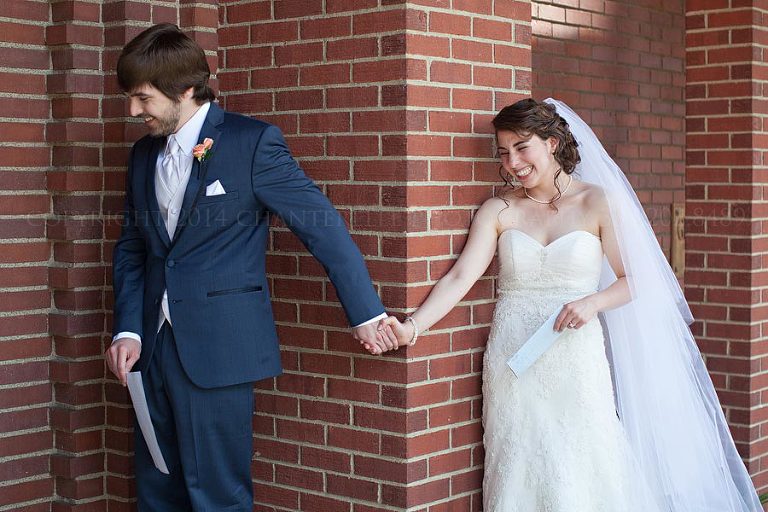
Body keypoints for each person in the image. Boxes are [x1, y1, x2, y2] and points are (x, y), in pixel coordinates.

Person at [377, 98, 762, 511]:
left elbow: (638, 280)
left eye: (522, 147)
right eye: (503, 153)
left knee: (584, 462)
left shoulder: (597, 202)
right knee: (518, 464)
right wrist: (412, 327)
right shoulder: (499, 209)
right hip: (512, 359)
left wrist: (593, 302)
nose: (512, 162)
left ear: (553, 142)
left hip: (575, 357)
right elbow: (459, 277)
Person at [105, 23, 396, 511]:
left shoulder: (252, 143)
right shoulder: (142, 154)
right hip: (149, 350)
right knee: (156, 488)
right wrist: (128, 331)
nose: (133, 111)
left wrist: (365, 314)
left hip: (219, 349)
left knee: (217, 495)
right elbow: (134, 246)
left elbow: (321, 228)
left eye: (142, 98)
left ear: (187, 89)